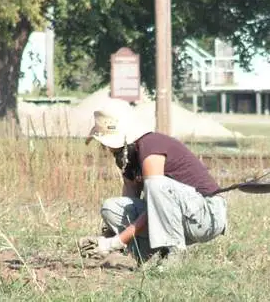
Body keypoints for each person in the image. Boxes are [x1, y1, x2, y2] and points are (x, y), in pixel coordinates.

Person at [78, 98, 227, 265]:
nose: (104, 148)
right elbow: (131, 204)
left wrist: (115, 242)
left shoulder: (151, 148)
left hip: (206, 216)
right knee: (111, 208)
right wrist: (106, 238)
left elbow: (153, 206)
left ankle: (175, 252)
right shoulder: (127, 157)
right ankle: (144, 256)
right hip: (180, 215)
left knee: (155, 185)